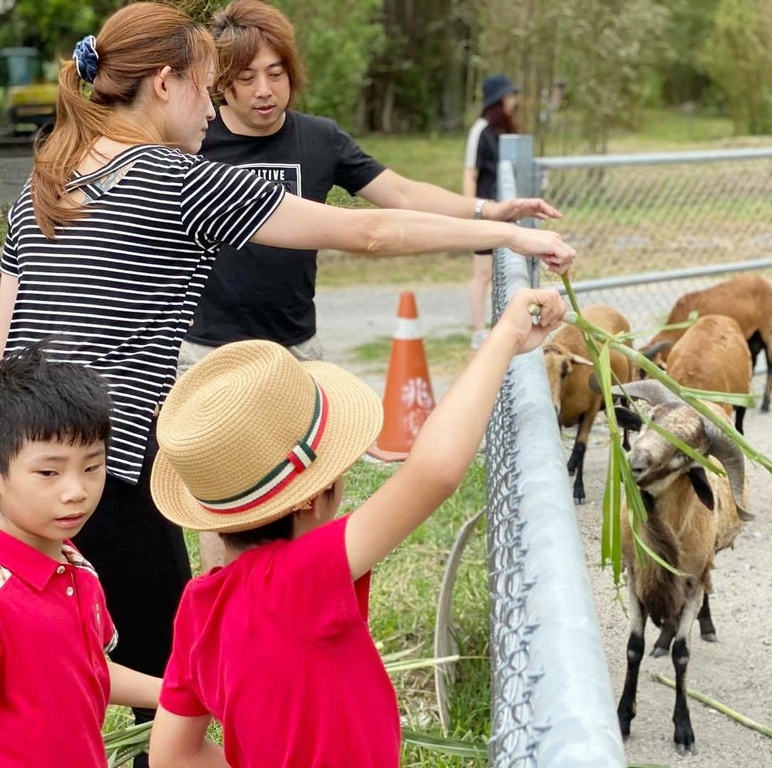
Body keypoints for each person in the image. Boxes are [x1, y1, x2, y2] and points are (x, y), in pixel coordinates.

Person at [0, 2, 574, 755]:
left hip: (26, 465)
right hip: (111, 470)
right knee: (177, 677)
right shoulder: (174, 177)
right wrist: (504, 233)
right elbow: (363, 230)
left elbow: (8, 333)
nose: (214, 106)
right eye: (208, 87)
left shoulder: (48, 179)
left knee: (58, 664)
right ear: (166, 84)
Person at [146, 287, 565, 767]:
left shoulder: (199, 610)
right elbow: (434, 472)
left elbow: (172, 755)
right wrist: (507, 336)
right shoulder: (301, 577)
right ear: (310, 497)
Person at [179, 0, 561, 375]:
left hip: (297, 349)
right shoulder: (194, 140)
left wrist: (488, 210)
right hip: (208, 352)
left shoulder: (320, 138)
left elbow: (403, 195)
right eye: (247, 78)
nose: (263, 89)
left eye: (275, 74)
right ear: (223, 82)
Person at [0, 342, 162, 768]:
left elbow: (84, 671)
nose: (77, 491)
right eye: (49, 472)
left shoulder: (75, 566)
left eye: (92, 467)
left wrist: (178, 695)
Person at [464, 73, 521, 349]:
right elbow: (470, 173)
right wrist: (470, 212)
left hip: (509, 213)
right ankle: (478, 331)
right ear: (499, 99)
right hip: (484, 212)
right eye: (510, 95)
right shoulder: (481, 129)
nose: (514, 100)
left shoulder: (507, 130)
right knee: (483, 273)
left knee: (508, 272)